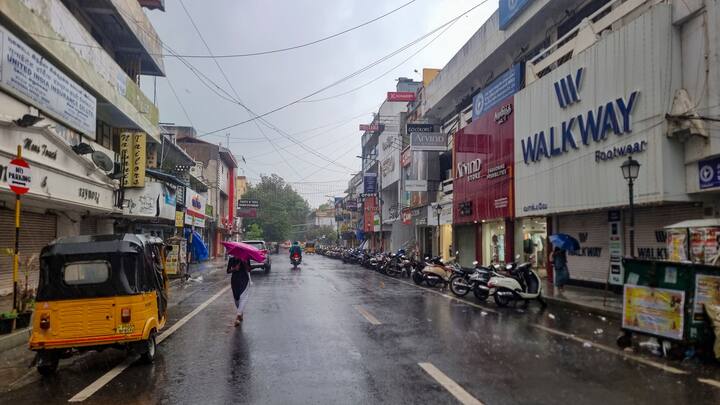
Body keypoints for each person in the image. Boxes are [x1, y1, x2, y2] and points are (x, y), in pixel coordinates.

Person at [227, 257, 251, 327]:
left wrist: (245, 263)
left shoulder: (246, 258)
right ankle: (240, 312)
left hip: (244, 280)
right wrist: (234, 269)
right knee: (236, 298)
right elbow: (228, 271)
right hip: (235, 280)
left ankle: (238, 316)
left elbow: (249, 269)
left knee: (242, 297)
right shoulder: (231, 259)